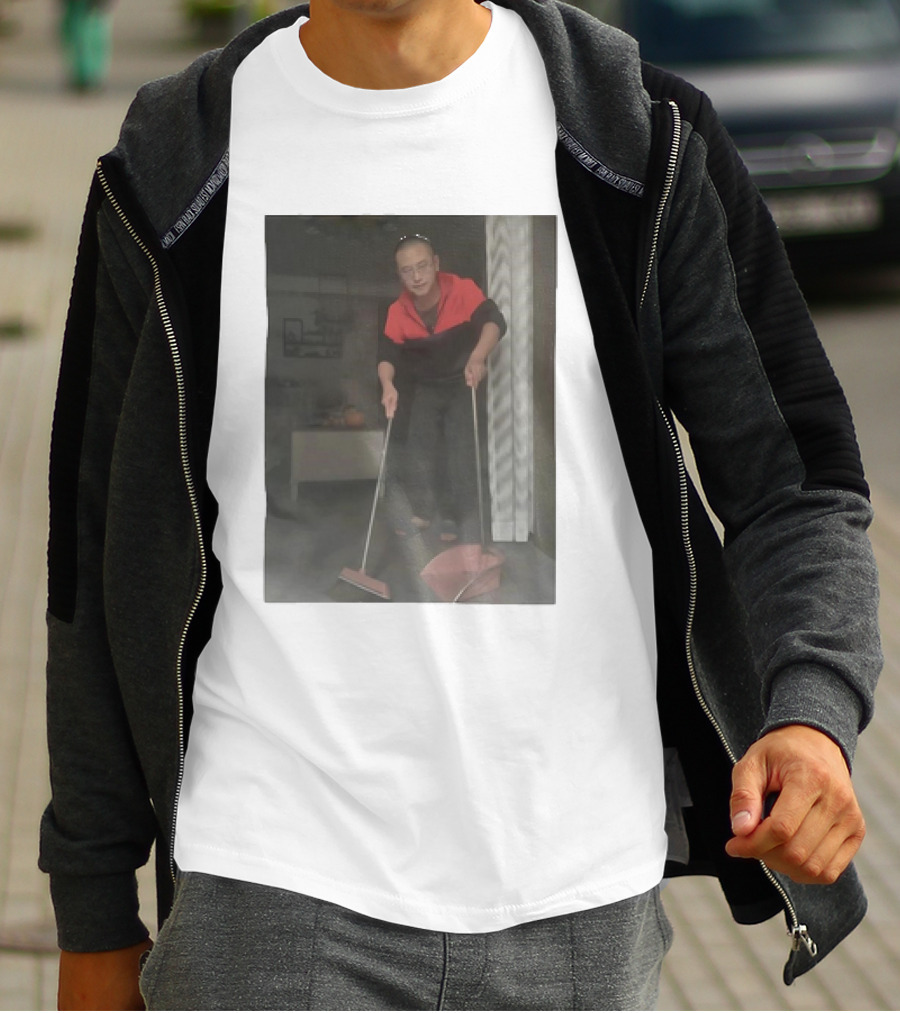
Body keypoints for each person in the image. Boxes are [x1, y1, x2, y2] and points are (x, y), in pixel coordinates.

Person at [40, 0, 881, 1009]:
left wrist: (813, 714)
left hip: (578, 889)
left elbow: (797, 480)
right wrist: (93, 911)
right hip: (268, 886)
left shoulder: (633, 136)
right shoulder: (175, 164)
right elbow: (87, 562)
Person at [378, 234, 506, 541]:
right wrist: (387, 385)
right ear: (400, 274)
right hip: (426, 386)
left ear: (436, 264)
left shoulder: (462, 289)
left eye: (422, 266)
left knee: (460, 451)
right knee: (420, 447)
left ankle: (456, 517)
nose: (417, 276)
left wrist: (477, 356)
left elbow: (495, 322)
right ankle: (422, 512)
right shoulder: (398, 310)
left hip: (462, 382)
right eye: (407, 270)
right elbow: (387, 355)